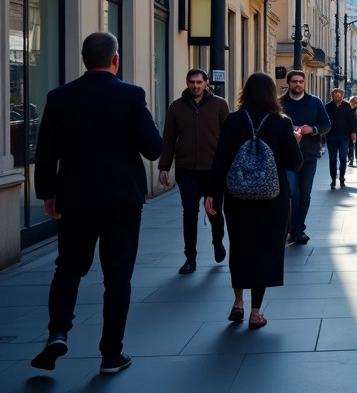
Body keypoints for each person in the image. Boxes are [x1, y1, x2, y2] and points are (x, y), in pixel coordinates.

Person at [30, 32, 163, 374]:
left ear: (84, 60)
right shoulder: (131, 96)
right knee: (117, 277)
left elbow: (44, 154)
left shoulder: (60, 97)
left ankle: (58, 331)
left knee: (69, 268)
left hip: (75, 199)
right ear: (115, 59)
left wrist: (47, 193)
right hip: (122, 200)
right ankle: (110, 354)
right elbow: (153, 148)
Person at [204, 72, 304, 330]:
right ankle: (255, 313)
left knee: (239, 247)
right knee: (265, 250)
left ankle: (238, 303)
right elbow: (295, 163)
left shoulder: (233, 120)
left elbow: (220, 160)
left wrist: (211, 193)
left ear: (245, 92)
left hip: (236, 197)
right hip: (273, 199)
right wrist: (296, 141)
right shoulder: (282, 123)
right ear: (272, 94)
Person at [157, 69, 230, 275]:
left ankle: (217, 241)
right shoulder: (176, 107)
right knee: (189, 211)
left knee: (213, 211)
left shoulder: (220, 105)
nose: (195, 86)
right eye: (191, 82)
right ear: (187, 83)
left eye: (199, 82)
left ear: (206, 83)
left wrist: (227, 165)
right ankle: (190, 257)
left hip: (213, 170)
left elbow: (228, 137)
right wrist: (164, 167)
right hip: (186, 170)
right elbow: (169, 138)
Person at [280, 70, 331, 246]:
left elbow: (326, 125)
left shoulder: (314, 102)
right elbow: (273, 125)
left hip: (309, 155)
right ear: (289, 83)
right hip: (287, 156)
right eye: (294, 81)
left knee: (305, 194)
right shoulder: (280, 103)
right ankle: (295, 230)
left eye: (301, 81)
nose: (298, 84)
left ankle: (298, 227)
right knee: (292, 193)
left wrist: (312, 130)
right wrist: (289, 130)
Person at [325, 87, 356, 188]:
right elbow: (324, 121)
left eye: (339, 94)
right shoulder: (328, 107)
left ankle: (342, 177)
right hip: (331, 136)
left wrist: (353, 132)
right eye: (335, 94)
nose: (337, 95)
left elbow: (351, 120)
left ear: (342, 95)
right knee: (332, 159)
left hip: (344, 137)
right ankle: (333, 179)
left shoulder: (347, 106)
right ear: (332, 95)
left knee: (343, 158)